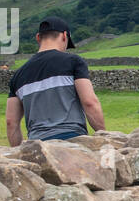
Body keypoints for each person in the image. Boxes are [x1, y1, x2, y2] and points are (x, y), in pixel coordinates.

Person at [6, 16, 104, 147]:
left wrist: (20, 154)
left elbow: (11, 122)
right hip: (73, 141)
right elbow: (89, 102)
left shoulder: (18, 75)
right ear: (64, 36)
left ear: (38, 38)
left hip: (38, 146)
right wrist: (105, 137)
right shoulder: (73, 62)